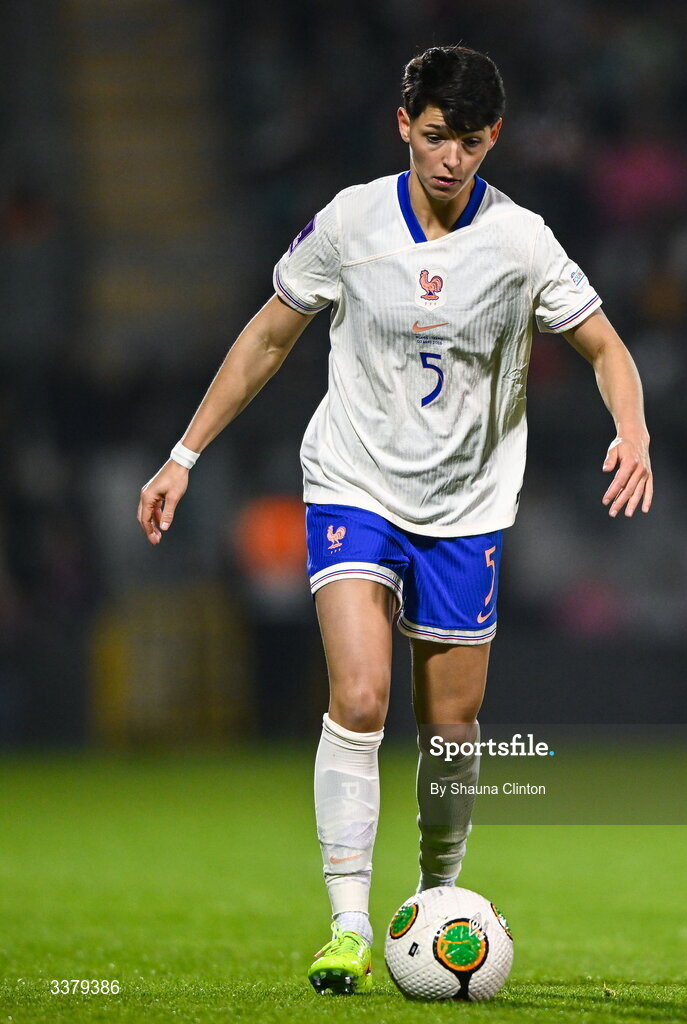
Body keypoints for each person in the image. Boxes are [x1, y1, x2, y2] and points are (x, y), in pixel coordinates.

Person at [137, 44, 652, 995]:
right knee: (363, 698)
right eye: (434, 136)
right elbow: (267, 338)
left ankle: (435, 903)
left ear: (495, 137)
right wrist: (183, 455)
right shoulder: (350, 222)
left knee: (452, 734)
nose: (449, 158)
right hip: (354, 483)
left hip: (465, 503)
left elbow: (605, 344)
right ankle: (346, 927)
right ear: (403, 126)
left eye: (468, 141)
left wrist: (634, 426)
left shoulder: (524, 241)